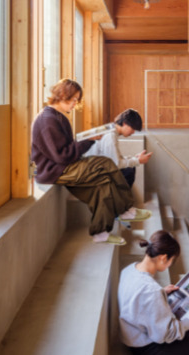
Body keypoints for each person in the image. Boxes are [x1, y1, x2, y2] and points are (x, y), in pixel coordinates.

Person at [31, 79, 151, 245]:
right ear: (62, 95)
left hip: (64, 167)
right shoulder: (47, 120)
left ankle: (100, 233)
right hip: (56, 170)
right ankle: (125, 209)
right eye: (74, 100)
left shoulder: (58, 117)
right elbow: (61, 156)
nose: (75, 104)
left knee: (103, 185)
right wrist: (89, 140)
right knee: (105, 163)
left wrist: (87, 140)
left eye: (77, 100)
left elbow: (66, 149)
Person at [82, 108, 152, 187]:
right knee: (128, 171)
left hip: (95, 167)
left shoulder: (109, 128)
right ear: (125, 123)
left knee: (130, 168)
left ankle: (120, 194)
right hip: (91, 172)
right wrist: (138, 161)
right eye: (132, 129)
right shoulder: (110, 136)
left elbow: (114, 158)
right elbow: (116, 164)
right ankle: (119, 195)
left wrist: (134, 158)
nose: (133, 132)